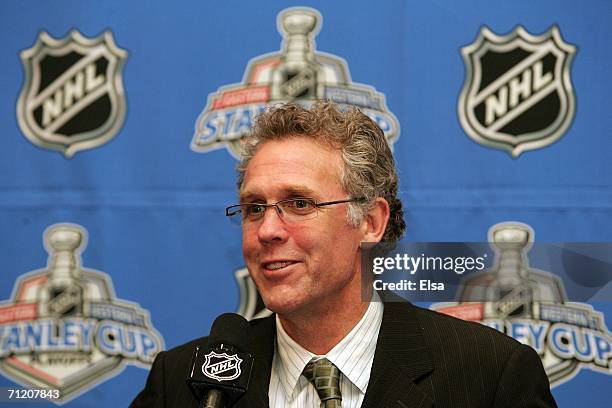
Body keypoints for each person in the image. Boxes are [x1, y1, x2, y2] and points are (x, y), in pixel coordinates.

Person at [131, 101, 557, 407]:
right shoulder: (186, 383)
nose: (267, 230)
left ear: (370, 223)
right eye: (253, 208)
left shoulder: (487, 375)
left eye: (299, 204)